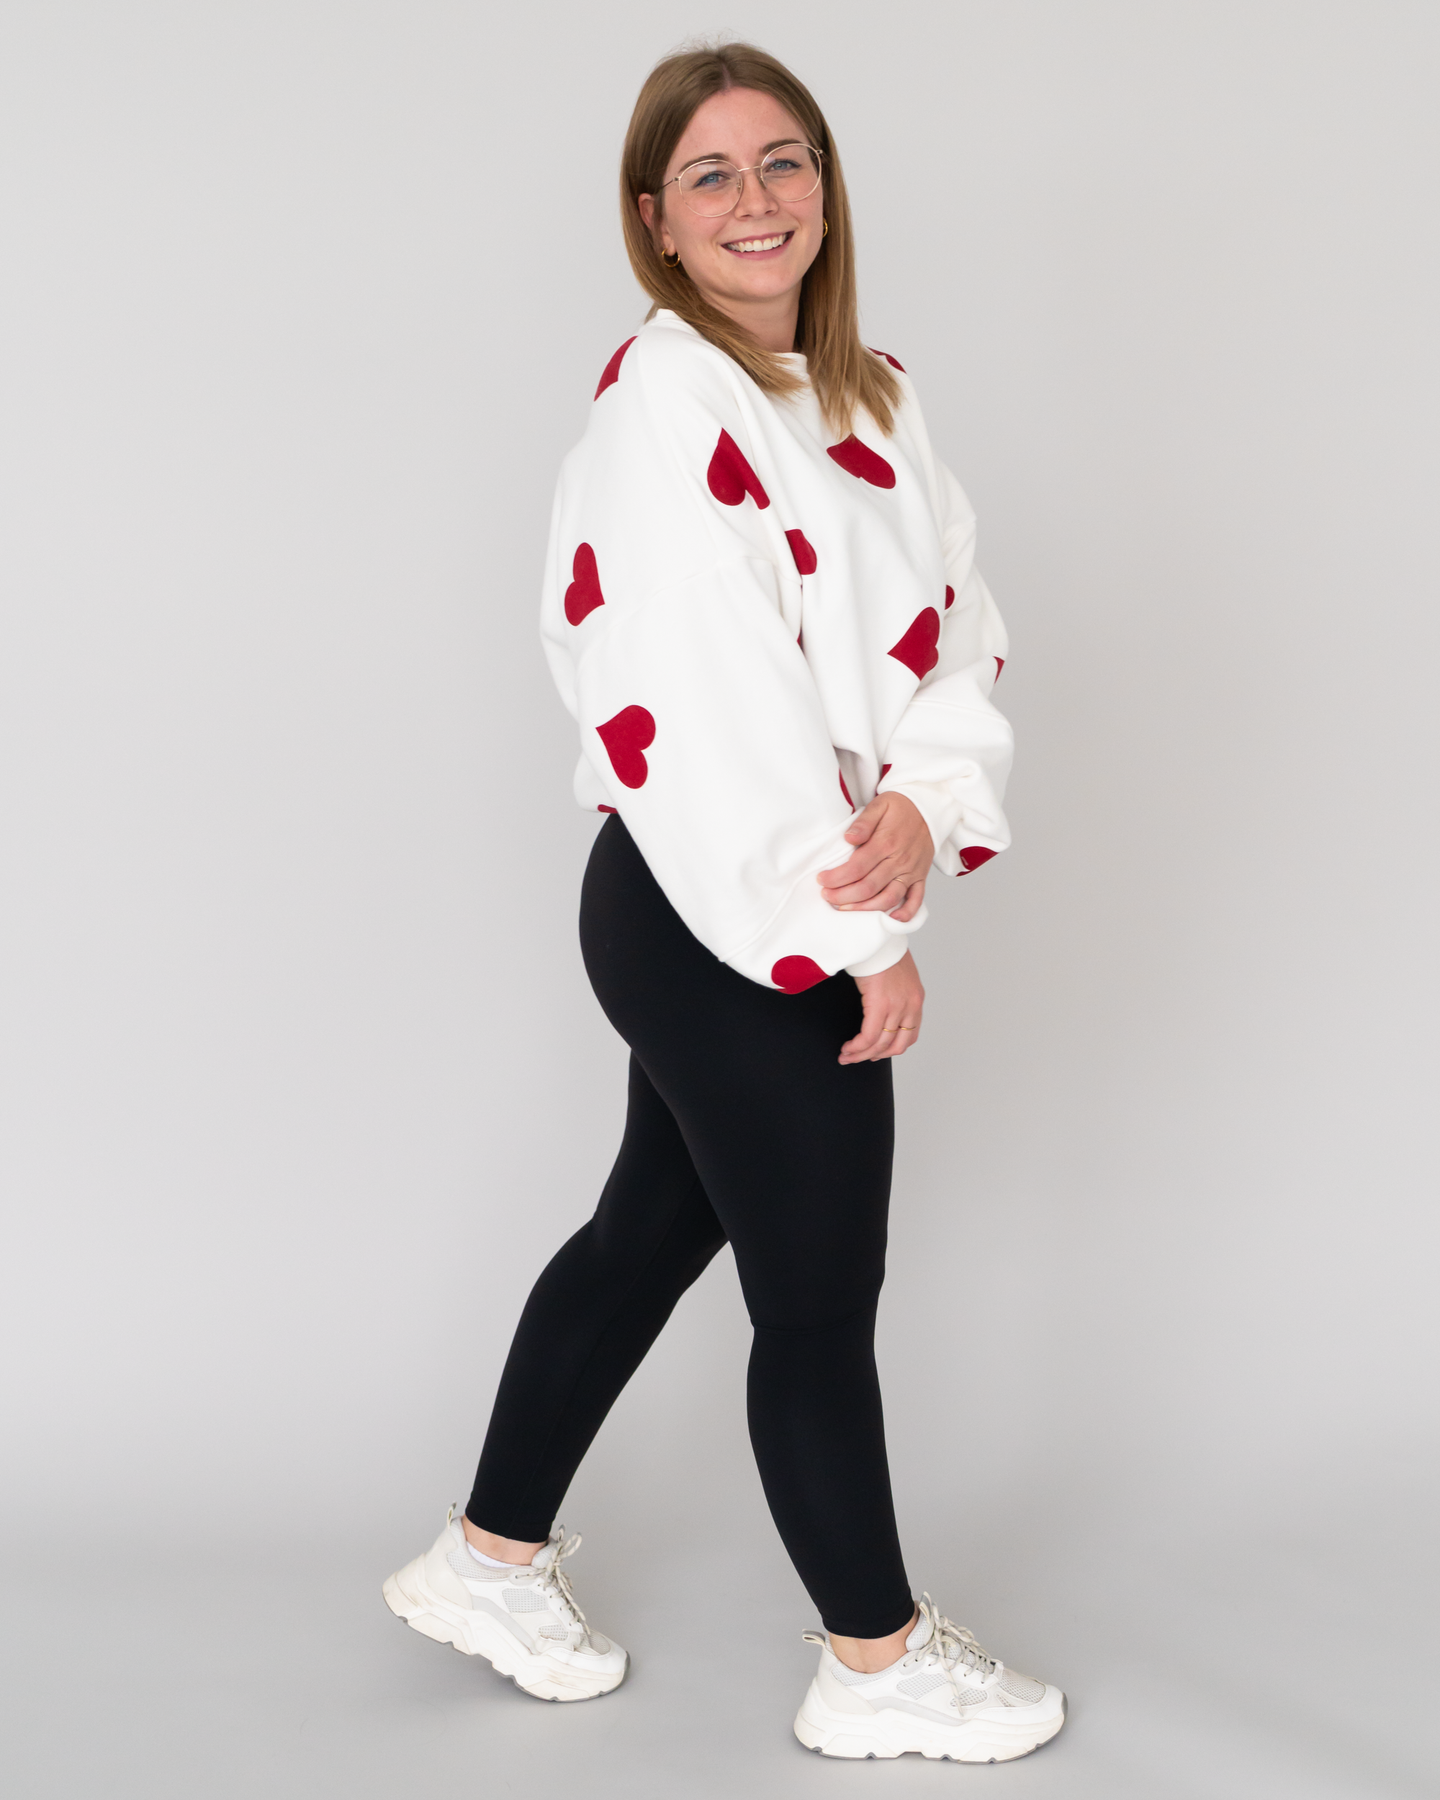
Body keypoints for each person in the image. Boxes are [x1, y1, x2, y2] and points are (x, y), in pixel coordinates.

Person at [383, 41, 1065, 1764]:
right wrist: (860, 942)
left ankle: (488, 1561)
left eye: (784, 163)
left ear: (825, 189)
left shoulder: (872, 397)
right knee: (817, 1296)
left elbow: (960, 631)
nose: (756, 201)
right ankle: (875, 1662)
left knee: (644, 1237)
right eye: (711, 175)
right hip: (719, 904)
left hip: (777, 892)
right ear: (655, 221)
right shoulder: (663, 411)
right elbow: (702, 716)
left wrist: (924, 799)